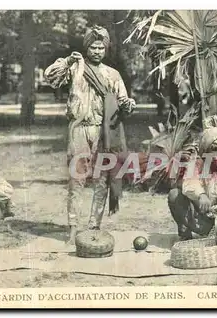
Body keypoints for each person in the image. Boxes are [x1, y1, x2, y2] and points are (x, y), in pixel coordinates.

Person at [44, 25, 136, 244]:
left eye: (100, 48)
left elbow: (124, 102)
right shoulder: (76, 67)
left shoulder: (112, 74)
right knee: (77, 179)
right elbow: (50, 77)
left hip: (105, 131)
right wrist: (66, 61)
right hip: (79, 129)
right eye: (93, 47)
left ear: (105, 49)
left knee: (103, 179)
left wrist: (128, 104)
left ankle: (94, 225)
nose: (96, 51)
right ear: (86, 48)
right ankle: (73, 228)